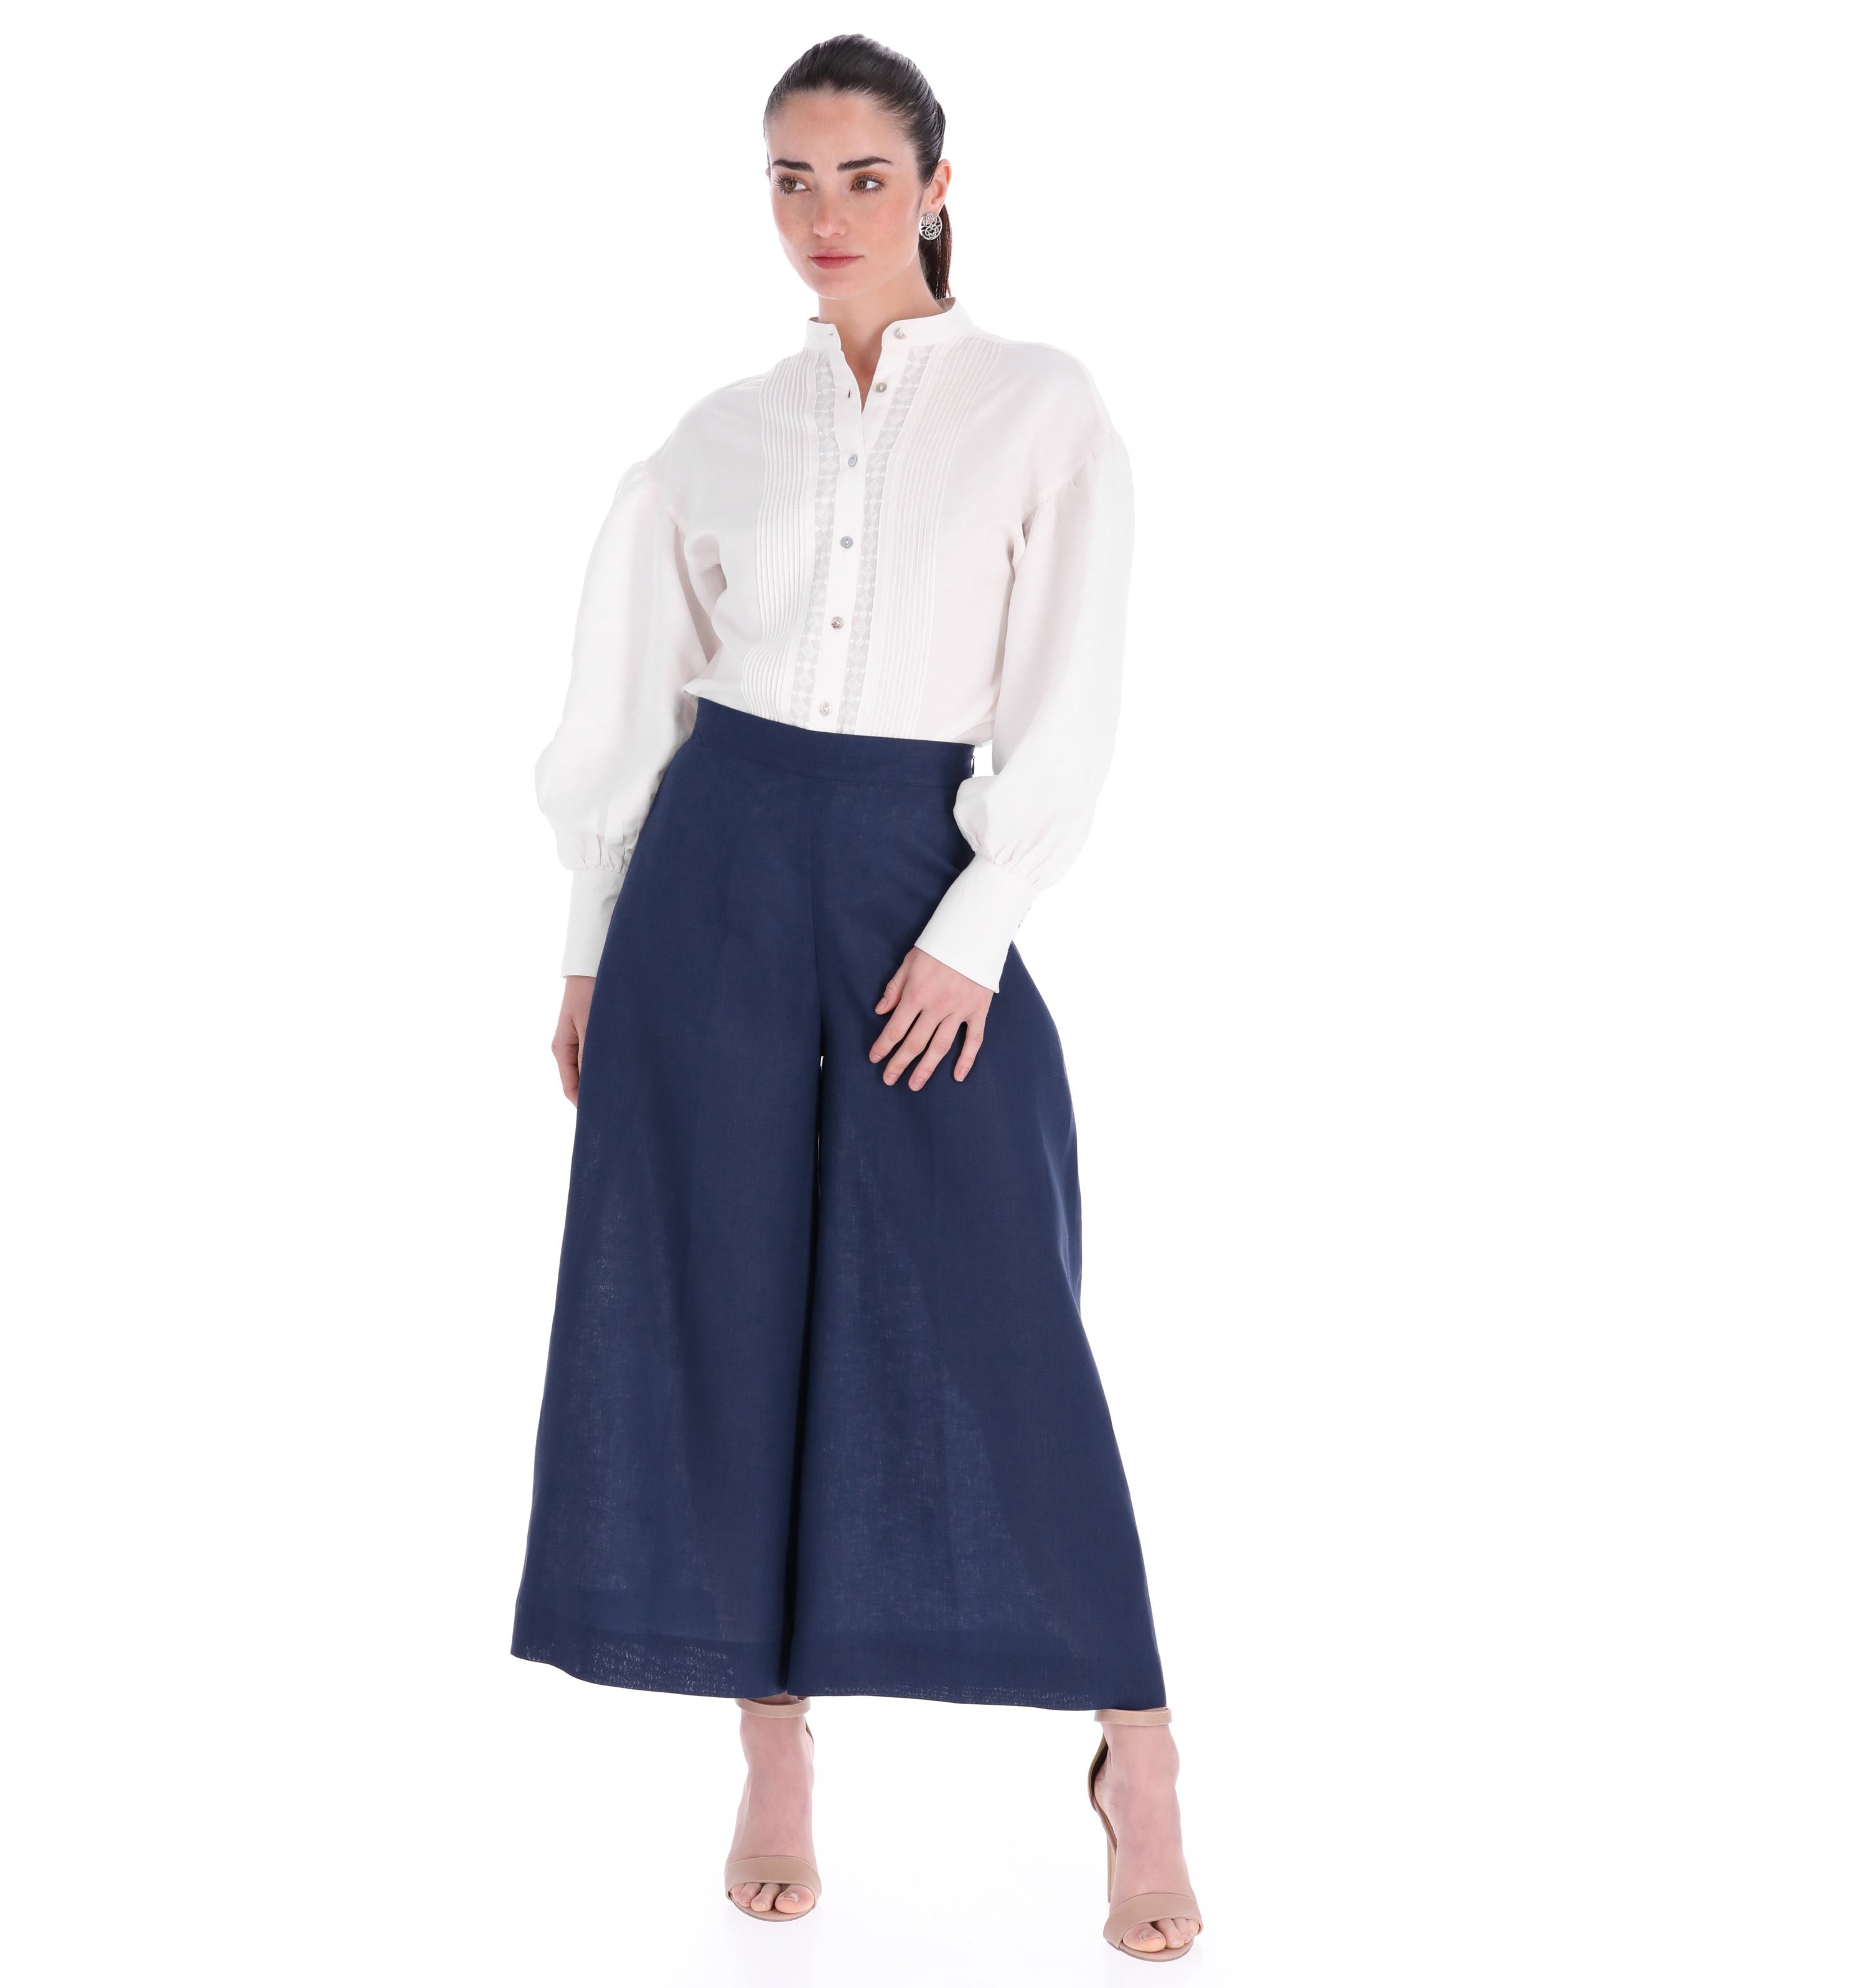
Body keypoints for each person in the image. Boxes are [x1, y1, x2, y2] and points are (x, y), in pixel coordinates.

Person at [509, 34, 1200, 1961]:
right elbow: (630, 702)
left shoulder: (1044, 409)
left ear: (939, 187)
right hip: (710, 876)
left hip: (920, 872)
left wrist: (979, 919)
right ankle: (774, 1743)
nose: (825, 215)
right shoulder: (718, 435)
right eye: (792, 179)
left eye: (864, 177)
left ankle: (1138, 1751)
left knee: (1004, 1306)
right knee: (724, 1302)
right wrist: (588, 937)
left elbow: (1071, 689)